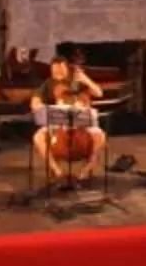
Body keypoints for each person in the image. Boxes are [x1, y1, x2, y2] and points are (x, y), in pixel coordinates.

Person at [33, 53, 104, 185]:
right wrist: (41, 106)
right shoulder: (48, 84)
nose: (58, 73)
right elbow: (35, 102)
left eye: (61, 70)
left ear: (67, 69)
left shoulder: (79, 80)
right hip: (59, 122)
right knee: (38, 137)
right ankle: (57, 171)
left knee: (100, 136)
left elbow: (99, 93)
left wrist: (86, 79)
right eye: (55, 71)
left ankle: (85, 172)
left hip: (82, 123)